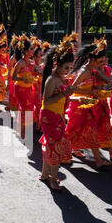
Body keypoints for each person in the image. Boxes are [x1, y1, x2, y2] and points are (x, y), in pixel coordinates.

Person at [65, 36, 112, 168]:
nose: (101, 64)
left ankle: (97, 160)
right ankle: (61, 153)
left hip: (87, 104)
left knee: (90, 131)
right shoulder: (84, 72)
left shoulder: (91, 70)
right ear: (92, 59)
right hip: (78, 106)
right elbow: (72, 90)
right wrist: (90, 92)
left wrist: (99, 88)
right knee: (71, 131)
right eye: (100, 61)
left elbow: (89, 87)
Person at [39, 40, 76, 190]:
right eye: (66, 67)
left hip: (58, 116)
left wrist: (69, 94)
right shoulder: (51, 80)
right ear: (57, 65)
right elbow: (46, 102)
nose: (68, 70)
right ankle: (53, 179)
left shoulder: (61, 79)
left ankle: (44, 174)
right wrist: (65, 94)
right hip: (49, 116)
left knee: (51, 145)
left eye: (71, 68)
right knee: (55, 146)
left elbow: (62, 96)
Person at [12, 34, 36, 139]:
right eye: (31, 49)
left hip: (30, 88)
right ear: (26, 51)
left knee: (29, 108)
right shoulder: (20, 63)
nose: (33, 51)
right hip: (20, 89)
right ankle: (21, 130)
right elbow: (13, 77)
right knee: (25, 108)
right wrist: (23, 79)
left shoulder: (31, 62)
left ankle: (22, 128)